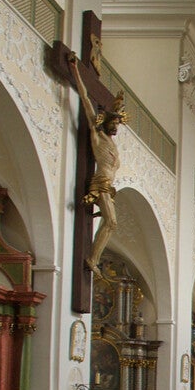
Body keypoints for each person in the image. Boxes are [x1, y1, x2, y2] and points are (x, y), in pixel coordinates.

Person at [67, 52, 126, 272]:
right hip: (100, 182)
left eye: (118, 125)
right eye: (114, 123)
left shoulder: (112, 144)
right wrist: (76, 71)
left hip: (108, 186)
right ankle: (92, 259)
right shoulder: (97, 135)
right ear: (107, 121)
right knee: (111, 222)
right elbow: (85, 98)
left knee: (112, 223)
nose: (116, 127)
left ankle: (93, 258)